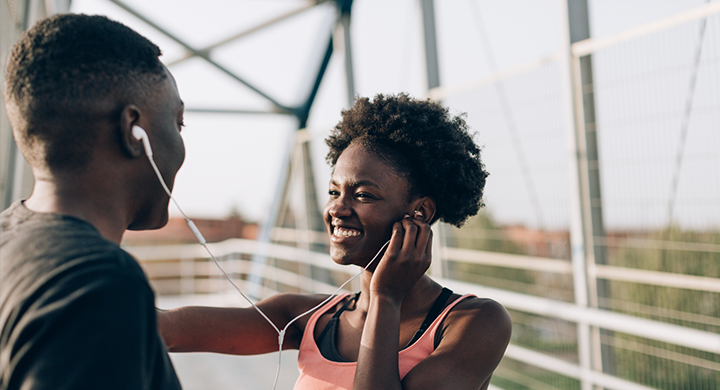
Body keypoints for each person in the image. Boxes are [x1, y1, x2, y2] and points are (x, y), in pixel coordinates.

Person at [159, 93, 512, 390]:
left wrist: (386, 299)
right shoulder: (308, 317)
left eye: (362, 195)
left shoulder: (474, 322)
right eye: (333, 191)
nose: (337, 209)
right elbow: (166, 330)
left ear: (419, 213)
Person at [0, 14, 184, 389]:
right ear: (135, 131)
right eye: (178, 123)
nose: (181, 145)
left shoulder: (11, 243)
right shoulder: (99, 283)